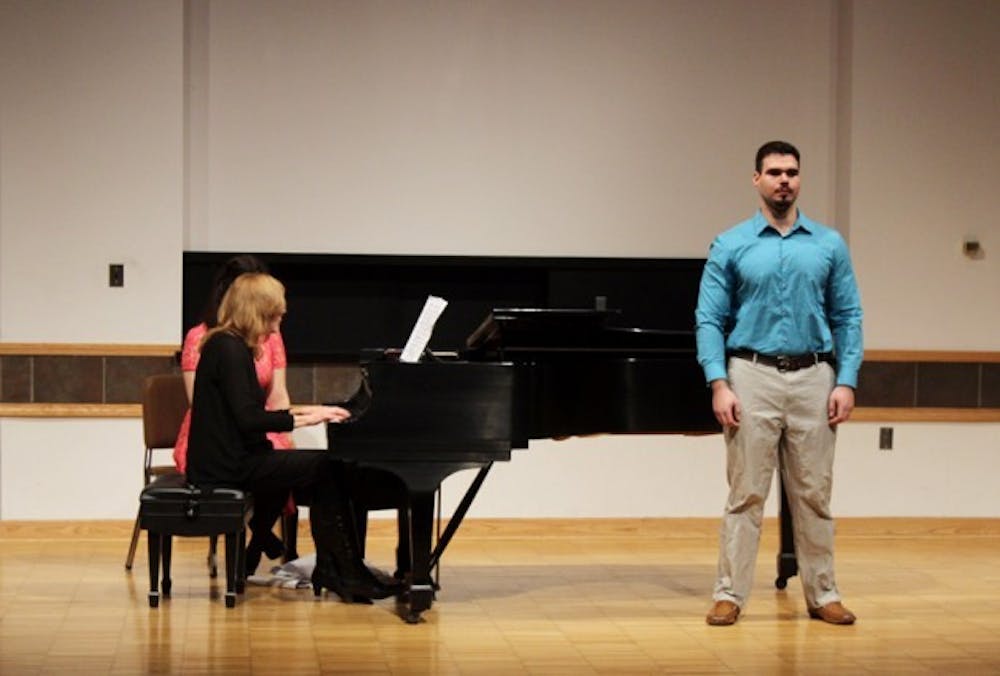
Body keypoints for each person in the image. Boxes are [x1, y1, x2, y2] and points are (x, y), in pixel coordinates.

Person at [694, 140, 863, 626]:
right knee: (746, 492)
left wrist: (846, 380)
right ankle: (729, 594)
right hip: (751, 374)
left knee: (814, 493)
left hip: (815, 375)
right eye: (774, 172)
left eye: (791, 172)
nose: (783, 180)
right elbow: (709, 319)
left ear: (800, 178)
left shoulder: (828, 244)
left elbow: (848, 314)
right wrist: (719, 382)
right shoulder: (731, 244)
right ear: (757, 179)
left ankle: (823, 594)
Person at [186, 271, 401, 602]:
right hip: (227, 466)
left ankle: (340, 568)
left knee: (327, 470)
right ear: (256, 311)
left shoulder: (228, 345)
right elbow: (247, 419)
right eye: (275, 315)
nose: (278, 324)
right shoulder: (228, 350)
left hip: (234, 458)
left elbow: (247, 413)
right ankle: (342, 570)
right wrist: (306, 419)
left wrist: (306, 412)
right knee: (327, 467)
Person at [173, 254, 297, 573]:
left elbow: (278, 393)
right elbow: (198, 402)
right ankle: (256, 537)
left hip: (256, 419)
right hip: (213, 430)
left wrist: (286, 427)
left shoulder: (270, 334)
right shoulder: (204, 338)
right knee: (271, 463)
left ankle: (258, 539)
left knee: (283, 455)